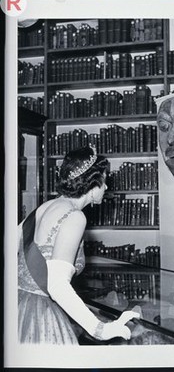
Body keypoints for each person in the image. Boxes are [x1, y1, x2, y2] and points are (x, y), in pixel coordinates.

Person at [18, 145, 139, 344]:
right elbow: (57, 285)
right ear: (94, 182)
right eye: (105, 181)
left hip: (17, 306)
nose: (107, 187)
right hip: (38, 315)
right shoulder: (75, 217)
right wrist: (100, 329)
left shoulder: (46, 206)